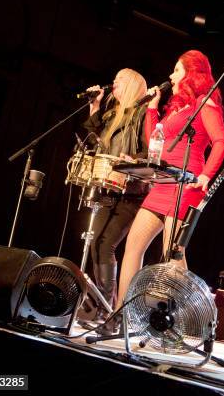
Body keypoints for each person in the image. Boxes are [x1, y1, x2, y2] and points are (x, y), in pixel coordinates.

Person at [115, 50, 224, 312]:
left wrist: (205, 176)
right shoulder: (180, 107)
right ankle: (123, 313)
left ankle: (196, 314)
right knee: (133, 247)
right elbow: (156, 140)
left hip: (186, 183)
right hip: (163, 183)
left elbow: (222, 141)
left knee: (173, 255)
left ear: (191, 74)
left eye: (177, 70)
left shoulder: (205, 102)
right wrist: (153, 108)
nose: (171, 75)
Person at [80, 68, 149, 320]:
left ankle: (107, 309)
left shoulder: (143, 113)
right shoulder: (111, 115)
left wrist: (132, 160)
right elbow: (94, 140)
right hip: (107, 187)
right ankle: (98, 305)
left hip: (131, 191)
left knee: (107, 244)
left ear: (131, 84)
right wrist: (95, 105)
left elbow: (150, 151)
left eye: (119, 80)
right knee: (95, 242)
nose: (113, 83)